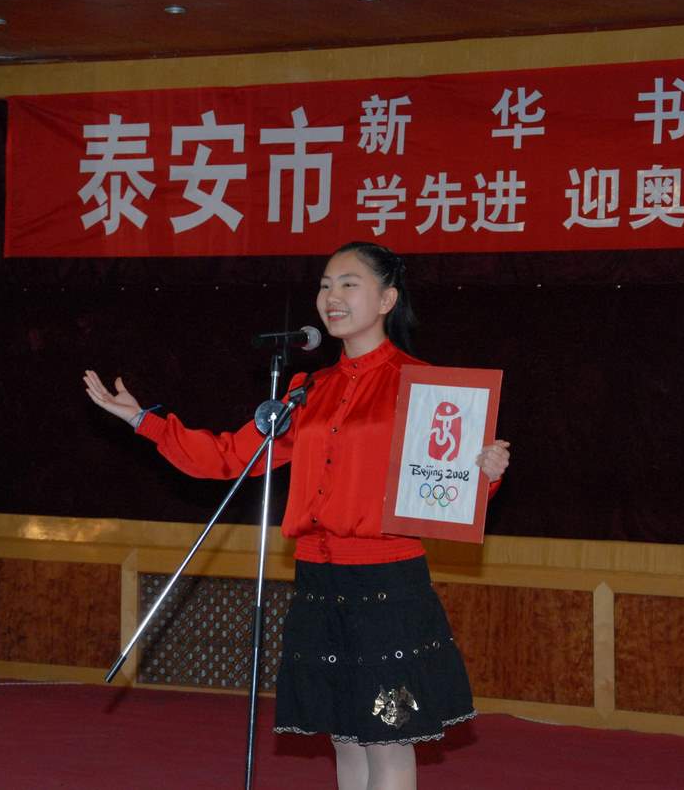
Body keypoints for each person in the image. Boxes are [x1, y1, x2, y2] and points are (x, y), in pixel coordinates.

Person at [84, 241, 511, 790]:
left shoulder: (426, 386)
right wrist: (144, 420)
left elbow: (448, 489)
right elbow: (229, 456)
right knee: (345, 736)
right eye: (325, 285)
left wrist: (485, 473)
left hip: (386, 582)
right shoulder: (305, 392)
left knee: (387, 737)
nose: (332, 296)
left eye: (349, 284)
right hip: (317, 579)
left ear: (387, 299)